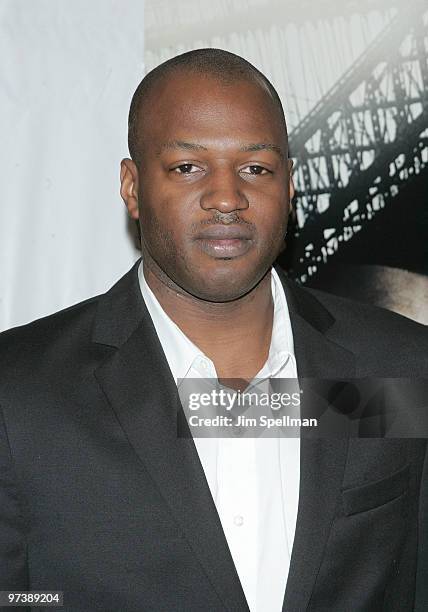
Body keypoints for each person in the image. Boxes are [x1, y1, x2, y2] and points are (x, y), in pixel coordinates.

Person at [0, 48, 427, 612]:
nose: (227, 197)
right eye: (187, 167)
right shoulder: (19, 393)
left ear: (291, 186)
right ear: (131, 186)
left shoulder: (401, 367)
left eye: (256, 168)